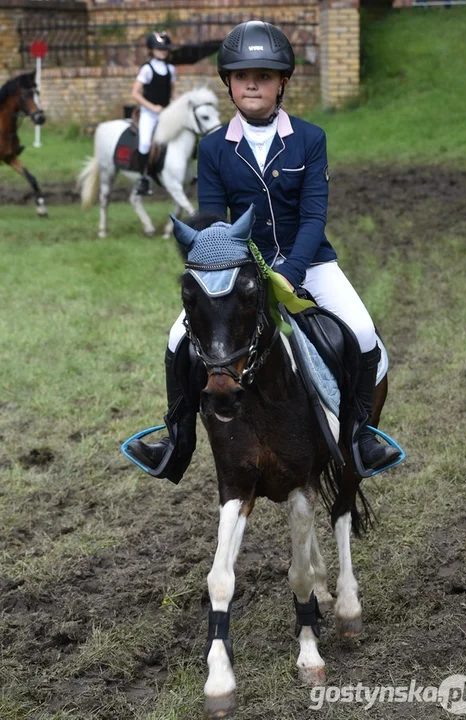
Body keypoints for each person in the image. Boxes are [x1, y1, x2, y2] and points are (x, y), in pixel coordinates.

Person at [127, 20, 400, 481]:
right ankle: (177, 441)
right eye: (242, 75)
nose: (252, 83)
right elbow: (214, 222)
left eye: (265, 75)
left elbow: (314, 217)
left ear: (283, 82)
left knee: (362, 331)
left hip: (308, 263)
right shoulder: (213, 147)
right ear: (229, 83)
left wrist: (292, 270)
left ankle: (359, 436)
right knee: (177, 341)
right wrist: (226, 270)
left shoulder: (310, 139)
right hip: (241, 271)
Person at [131, 31, 176, 196]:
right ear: (152, 49)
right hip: (149, 114)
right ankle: (143, 178)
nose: (163, 51)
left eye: (165, 49)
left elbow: (172, 93)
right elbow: (135, 93)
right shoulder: (147, 69)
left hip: (166, 113)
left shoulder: (171, 69)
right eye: (159, 48)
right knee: (144, 143)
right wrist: (152, 107)